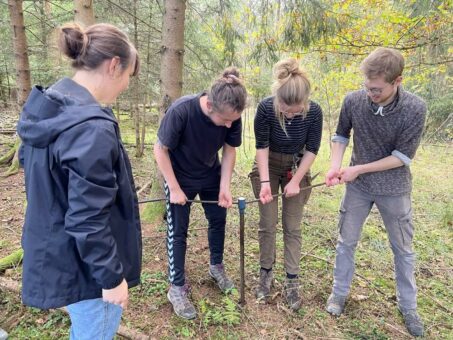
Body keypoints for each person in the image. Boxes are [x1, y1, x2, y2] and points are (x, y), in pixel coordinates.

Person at [17, 23, 142, 340]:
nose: (125, 86)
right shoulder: (91, 128)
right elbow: (87, 218)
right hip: (87, 272)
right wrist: (112, 278)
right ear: (114, 65)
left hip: (62, 254)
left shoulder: (46, 110)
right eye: (128, 76)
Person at [325, 48, 426, 337]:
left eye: (377, 89)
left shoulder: (415, 108)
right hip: (358, 188)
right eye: (367, 87)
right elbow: (341, 136)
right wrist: (336, 166)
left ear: (398, 81)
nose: (371, 93)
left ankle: (409, 306)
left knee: (403, 250)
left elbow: (402, 157)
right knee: (346, 242)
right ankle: (339, 294)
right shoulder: (354, 100)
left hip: (394, 189)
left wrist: (359, 168)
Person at [154, 68, 247, 320]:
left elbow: (229, 150)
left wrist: (224, 185)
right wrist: (173, 188)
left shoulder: (232, 115)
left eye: (233, 121)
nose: (230, 125)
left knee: (218, 220)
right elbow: (160, 149)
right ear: (209, 105)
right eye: (225, 120)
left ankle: (216, 266)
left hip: (210, 173)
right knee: (178, 231)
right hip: (179, 176)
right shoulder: (181, 111)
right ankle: (176, 287)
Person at [249, 58, 323, 310]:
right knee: (267, 224)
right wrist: (266, 183)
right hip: (267, 164)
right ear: (277, 97)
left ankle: (292, 279)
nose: (290, 114)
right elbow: (262, 147)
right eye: (285, 109)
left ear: (305, 102)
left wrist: (298, 180)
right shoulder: (265, 109)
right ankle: (265, 273)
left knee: (292, 226)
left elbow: (312, 149)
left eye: (295, 110)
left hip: (297, 167)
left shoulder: (314, 113)